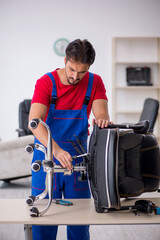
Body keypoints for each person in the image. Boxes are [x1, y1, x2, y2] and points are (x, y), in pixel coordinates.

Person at [29, 39, 111, 240]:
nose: (75, 76)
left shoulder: (95, 82)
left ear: (89, 67)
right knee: (44, 221)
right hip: (47, 157)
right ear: (65, 60)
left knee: (79, 221)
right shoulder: (46, 82)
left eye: (81, 72)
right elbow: (34, 122)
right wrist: (55, 150)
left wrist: (103, 121)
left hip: (79, 162)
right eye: (72, 69)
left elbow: (101, 113)